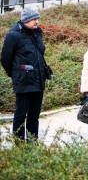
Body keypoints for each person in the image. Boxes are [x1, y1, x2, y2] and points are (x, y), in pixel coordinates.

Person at [1, 8, 51, 140]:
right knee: (21, 114)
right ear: (26, 20)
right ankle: (19, 144)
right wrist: (15, 74)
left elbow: (39, 54)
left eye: (37, 19)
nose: (37, 22)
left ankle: (32, 143)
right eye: (34, 19)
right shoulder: (13, 35)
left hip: (38, 80)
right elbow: (5, 58)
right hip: (23, 81)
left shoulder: (36, 33)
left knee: (34, 115)